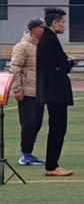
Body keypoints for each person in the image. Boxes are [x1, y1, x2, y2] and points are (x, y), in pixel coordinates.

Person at [34, 7, 75, 176]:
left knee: (57, 128)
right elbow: (60, 65)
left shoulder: (48, 39)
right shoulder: (49, 40)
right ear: (55, 22)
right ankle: (51, 166)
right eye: (62, 22)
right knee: (58, 128)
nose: (64, 25)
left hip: (52, 90)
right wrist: (69, 63)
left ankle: (52, 164)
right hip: (55, 91)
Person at [9, 18, 44, 166]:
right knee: (28, 122)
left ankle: (28, 152)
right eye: (42, 27)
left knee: (37, 123)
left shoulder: (42, 46)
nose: (44, 30)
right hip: (27, 91)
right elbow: (15, 68)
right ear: (34, 29)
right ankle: (25, 153)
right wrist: (17, 89)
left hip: (40, 91)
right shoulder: (22, 46)